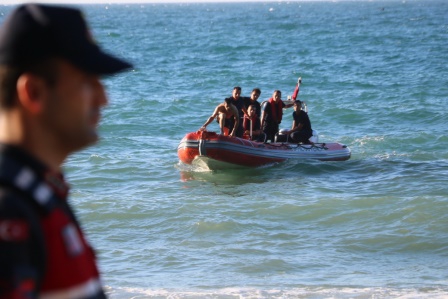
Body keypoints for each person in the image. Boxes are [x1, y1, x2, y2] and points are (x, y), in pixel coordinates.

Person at [0, 4, 132, 298]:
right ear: (34, 92)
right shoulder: (9, 207)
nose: (103, 98)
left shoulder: (37, 192)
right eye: (88, 82)